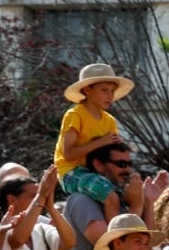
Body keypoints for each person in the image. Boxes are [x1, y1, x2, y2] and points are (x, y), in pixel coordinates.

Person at [54, 63, 135, 224]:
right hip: (71, 172)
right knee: (110, 194)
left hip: (97, 171)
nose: (110, 96)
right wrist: (101, 142)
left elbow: (111, 151)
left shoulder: (109, 120)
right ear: (87, 90)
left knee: (134, 190)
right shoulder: (74, 115)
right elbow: (68, 153)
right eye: (104, 90)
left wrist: (119, 144)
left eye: (112, 91)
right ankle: (114, 239)